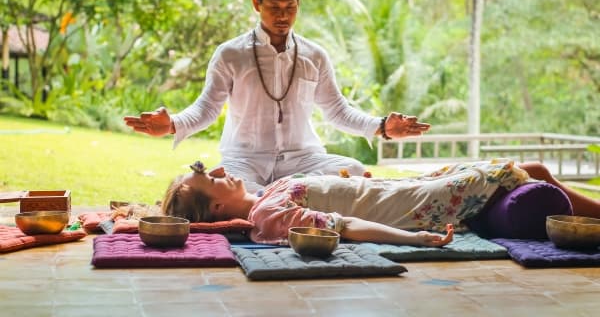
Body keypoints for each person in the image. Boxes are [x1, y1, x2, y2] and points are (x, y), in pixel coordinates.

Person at [123, 0, 430, 193]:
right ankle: (289, 200)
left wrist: (381, 127)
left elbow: (337, 111)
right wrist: (173, 123)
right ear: (257, 5)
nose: (282, 16)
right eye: (274, 7)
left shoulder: (315, 55)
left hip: (303, 160)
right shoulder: (231, 54)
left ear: (298, 6)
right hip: (245, 160)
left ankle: (278, 200)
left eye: (290, 7)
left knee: (352, 169)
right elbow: (206, 109)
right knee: (231, 188)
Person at [160, 158, 600, 246]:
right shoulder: (269, 215)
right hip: (416, 203)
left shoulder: (269, 194)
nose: (218, 171)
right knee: (534, 172)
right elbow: (344, 227)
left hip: (402, 186)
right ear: (217, 208)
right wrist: (417, 241)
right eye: (207, 179)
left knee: (535, 172)